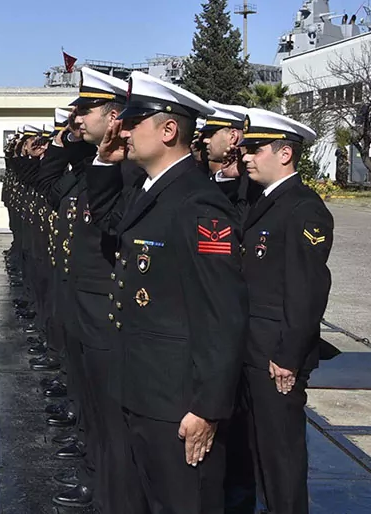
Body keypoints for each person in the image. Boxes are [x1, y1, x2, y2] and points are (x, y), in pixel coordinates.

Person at [87, 71, 248, 513]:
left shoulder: (198, 204)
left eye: (134, 120)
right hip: (141, 388)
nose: (123, 128)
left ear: (169, 129)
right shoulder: (149, 190)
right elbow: (108, 222)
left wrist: (208, 407)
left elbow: (223, 314)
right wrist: (105, 163)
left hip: (177, 403)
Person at [224, 108, 333, 514]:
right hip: (251, 349)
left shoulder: (304, 209)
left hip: (276, 357)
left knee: (280, 459)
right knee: (253, 453)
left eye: (255, 149)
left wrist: (288, 355)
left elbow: (308, 291)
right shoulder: (262, 202)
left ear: (284, 153)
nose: (246, 156)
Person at [52, 66, 145, 512]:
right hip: (87, 297)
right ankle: (97, 479)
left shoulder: (127, 173)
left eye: (86, 110)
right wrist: (65, 142)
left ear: (113, 117)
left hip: (111, 303)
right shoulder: (98, 166)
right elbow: (46, 179)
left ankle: (108, 492)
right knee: (96, 406)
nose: (76, 119)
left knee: (113, 417)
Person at [198, 101, 261, 219]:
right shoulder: (225, 178)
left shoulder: (256, 181)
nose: (205, 140)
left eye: (211, 134)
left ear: (233, 137)